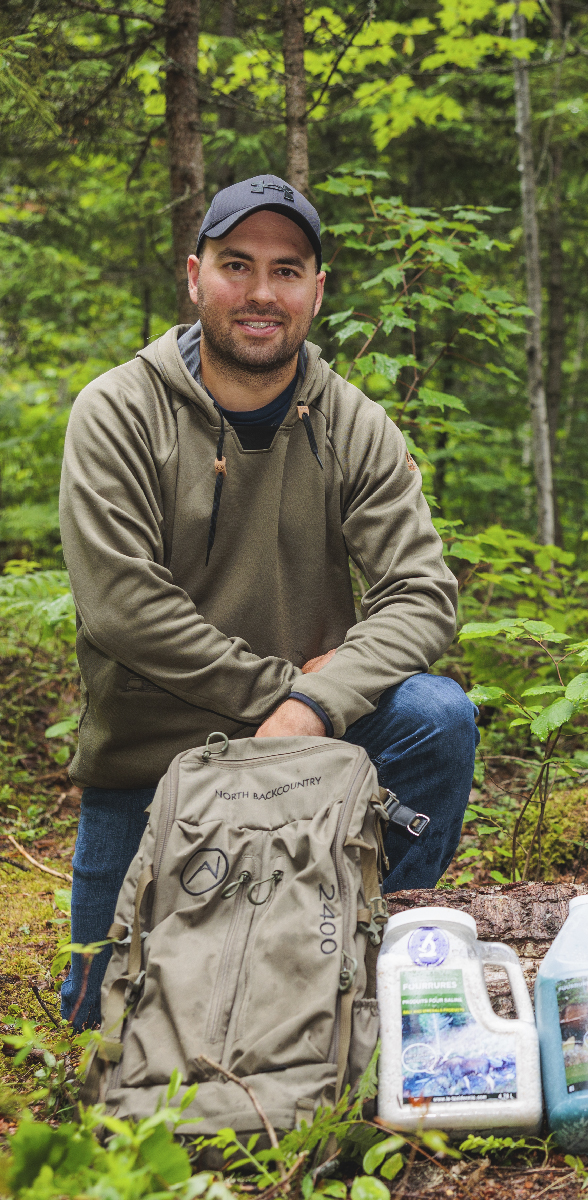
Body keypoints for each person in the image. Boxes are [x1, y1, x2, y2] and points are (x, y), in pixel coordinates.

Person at [58, 176, 476, 1027]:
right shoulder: (118, 411)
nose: (260, 293)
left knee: (437, 716)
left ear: (316, 290)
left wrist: (319, 705)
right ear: (194, 275)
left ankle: (355, 970)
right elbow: (122, 607)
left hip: (306, 764)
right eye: (236, 265)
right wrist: (287, 693)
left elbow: (422, 594)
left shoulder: (351, 422)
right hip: (154, 767)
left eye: (287, 271)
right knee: (100, 1030)